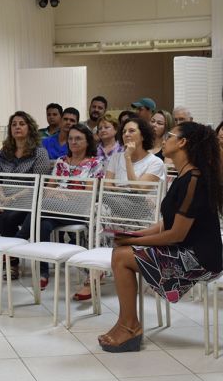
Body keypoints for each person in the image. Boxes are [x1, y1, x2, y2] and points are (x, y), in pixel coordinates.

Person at [98, 122, 222, 353]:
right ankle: (127, 324)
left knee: (122, 256)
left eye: (170, 135)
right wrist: (135, 235)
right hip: (185, 249)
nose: (163, 139)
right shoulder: (183, 176)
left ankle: (130, 326)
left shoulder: (194, 180)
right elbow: (168, 223)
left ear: (183, 142)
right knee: (121, 252)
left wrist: (134, 242)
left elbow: (176, 234)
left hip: (200, 258)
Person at [72, 117, 167, 300]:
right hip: (117, 209)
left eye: (132, 131)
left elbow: (139, 190)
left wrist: (128, 159)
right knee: (94, 210)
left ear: (143, 135)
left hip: (144, 217)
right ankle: (94, 272)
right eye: (124, 131)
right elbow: (108, 186)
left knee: (100, 209)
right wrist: (127, 189)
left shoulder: (155, 163)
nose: (126, 135)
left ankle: (95, 273)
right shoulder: (115, 158)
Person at [21, 124, 104, 290]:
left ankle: (19, 239)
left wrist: (62, 193)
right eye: (71, 138)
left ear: (88, 141)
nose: (73, 141)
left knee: (41, 206)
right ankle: (43, 273)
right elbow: (48, 190)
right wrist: (60, 194)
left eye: (78, 138)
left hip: (81, 210)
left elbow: (87, 195)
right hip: (56, 208)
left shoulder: (95, 164)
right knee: (43, 224)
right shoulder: (61, 162)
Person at [0, 111, 50, 279]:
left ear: (30, 128)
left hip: (28, 198)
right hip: (3, 197)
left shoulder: (39, 153)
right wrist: (2, 198)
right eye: (14, 124)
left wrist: (11, 199)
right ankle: (6, 253)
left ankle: (11, 263)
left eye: (22, 124)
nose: (17, 127)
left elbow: (39, 183)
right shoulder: (3, 152)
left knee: (6, 219)